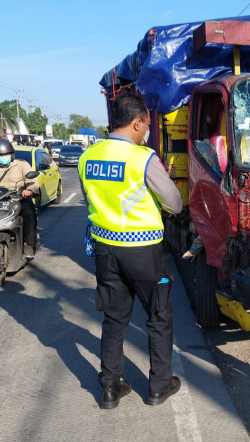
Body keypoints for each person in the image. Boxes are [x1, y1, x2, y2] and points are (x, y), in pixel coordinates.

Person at [78, 93, 183, 410]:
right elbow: (175, 204)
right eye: (148, 124)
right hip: (144, 253)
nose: (148, 130)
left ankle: (110, 387)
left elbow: (89, 198)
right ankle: (159, 386)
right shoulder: (143, 159)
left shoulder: (88, 157)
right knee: (159, 315)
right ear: (137, 122)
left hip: (105, 250)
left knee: (114, 317)